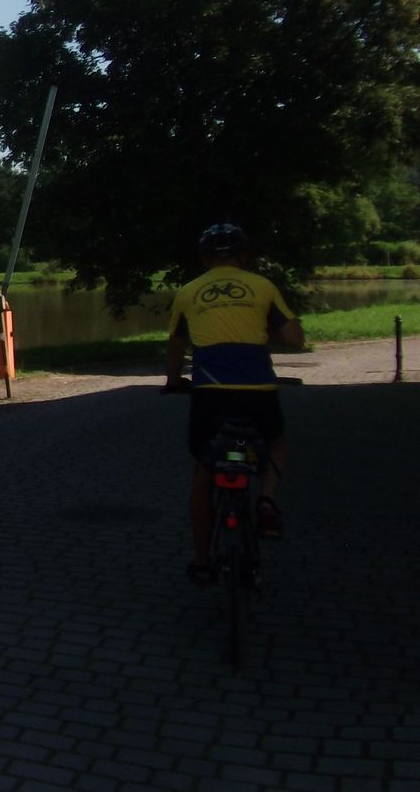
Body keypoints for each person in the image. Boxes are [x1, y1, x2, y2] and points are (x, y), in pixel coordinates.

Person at [165, 222, 304, 586]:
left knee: (203, 474)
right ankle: (267, 500)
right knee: (275, 443)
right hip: (258, 392)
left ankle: (201, 561)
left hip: (210, 394)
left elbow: (176, 346)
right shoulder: (262, 286)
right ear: (243, 256)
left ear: (204, 258)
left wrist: (173, 381)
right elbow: (294, 338)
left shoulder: (188, 292)